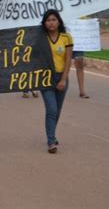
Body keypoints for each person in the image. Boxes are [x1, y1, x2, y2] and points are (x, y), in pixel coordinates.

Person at [40, 9, 73, 154]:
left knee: (57, 111)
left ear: (59, 21)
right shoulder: (40, 38)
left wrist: (64, 79)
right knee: (51, 109)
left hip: (61, 77)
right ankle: (51, 141)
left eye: (54, 19)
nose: (51, 23)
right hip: (45, 78)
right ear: (44, 23)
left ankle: (51, 134)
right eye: (48, 20)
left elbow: (68, 60)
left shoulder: (66, 38)